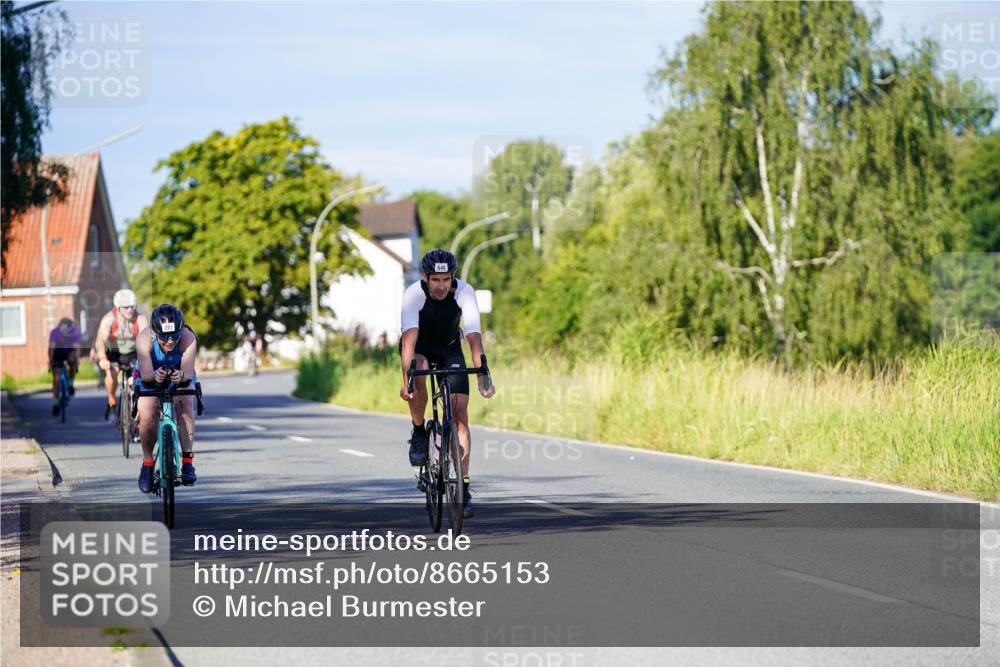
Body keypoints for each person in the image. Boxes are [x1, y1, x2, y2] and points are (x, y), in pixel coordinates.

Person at [399, 249, 496, 518]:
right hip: (419, 348)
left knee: (460, 415)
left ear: (452, 277)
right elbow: (408, 341)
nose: (441, 286)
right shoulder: (413, 294)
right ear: (425, 278)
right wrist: (407, 383)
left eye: (446, 279)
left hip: (450, 349)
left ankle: (463, 487)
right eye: (436, 280)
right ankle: (419, 431)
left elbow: (474, 337)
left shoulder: (464, 292)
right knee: (418, 371)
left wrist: (483, 377)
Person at [134, 304, 198, 494]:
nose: (170, 341)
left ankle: (187, 462)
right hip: (150, 372)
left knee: (186, 402)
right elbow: (146, 375)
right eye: (164, 337)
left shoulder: (188, 338)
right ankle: (147, 464)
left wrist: (182, 376)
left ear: (181, 331)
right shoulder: (143, 338)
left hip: (180, 372)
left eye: (174, 336)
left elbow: (187, 374)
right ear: (155, 333)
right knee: (147, 414)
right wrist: (154, 376)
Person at [94, 289, 148, 421]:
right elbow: (100, 341)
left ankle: (136, 411)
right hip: (114, 354)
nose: (130, 310)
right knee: (111, 375)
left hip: (133, 354)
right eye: (126, 307)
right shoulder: (109, 319)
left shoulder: (140, 319)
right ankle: (111, 401)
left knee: (134, 382)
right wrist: (102, 358)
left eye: (132, 307)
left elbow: (146, 341)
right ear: (118, 307)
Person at [48, 317, 81, 415]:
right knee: (56, 379)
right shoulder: (55, 332)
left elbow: (77, 348)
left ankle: (70, 384)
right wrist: (51, 361)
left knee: (72, 361)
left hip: (69, 351)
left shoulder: (74, 332)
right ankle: (55, 403)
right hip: (57, 352)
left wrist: (77, 360)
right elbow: (51, 348)